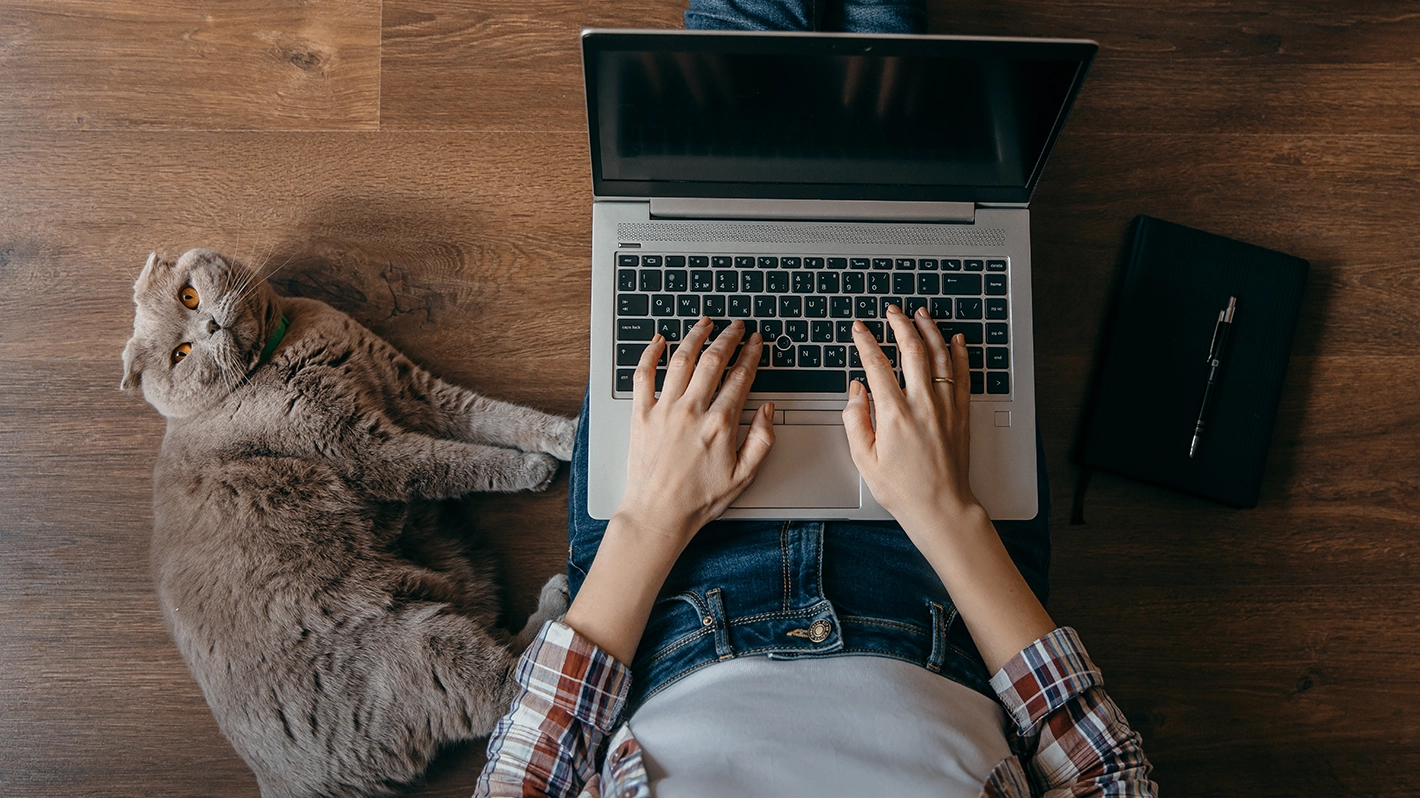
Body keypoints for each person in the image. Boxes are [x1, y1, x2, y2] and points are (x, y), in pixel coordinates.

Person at [475, 4, 1157, 796]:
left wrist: (652, 518)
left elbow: (532, 761)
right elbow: (1109, 774)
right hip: (947, 579)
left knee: (718, 121)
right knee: (906, 147)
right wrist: (945, 512)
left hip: (662, 575)